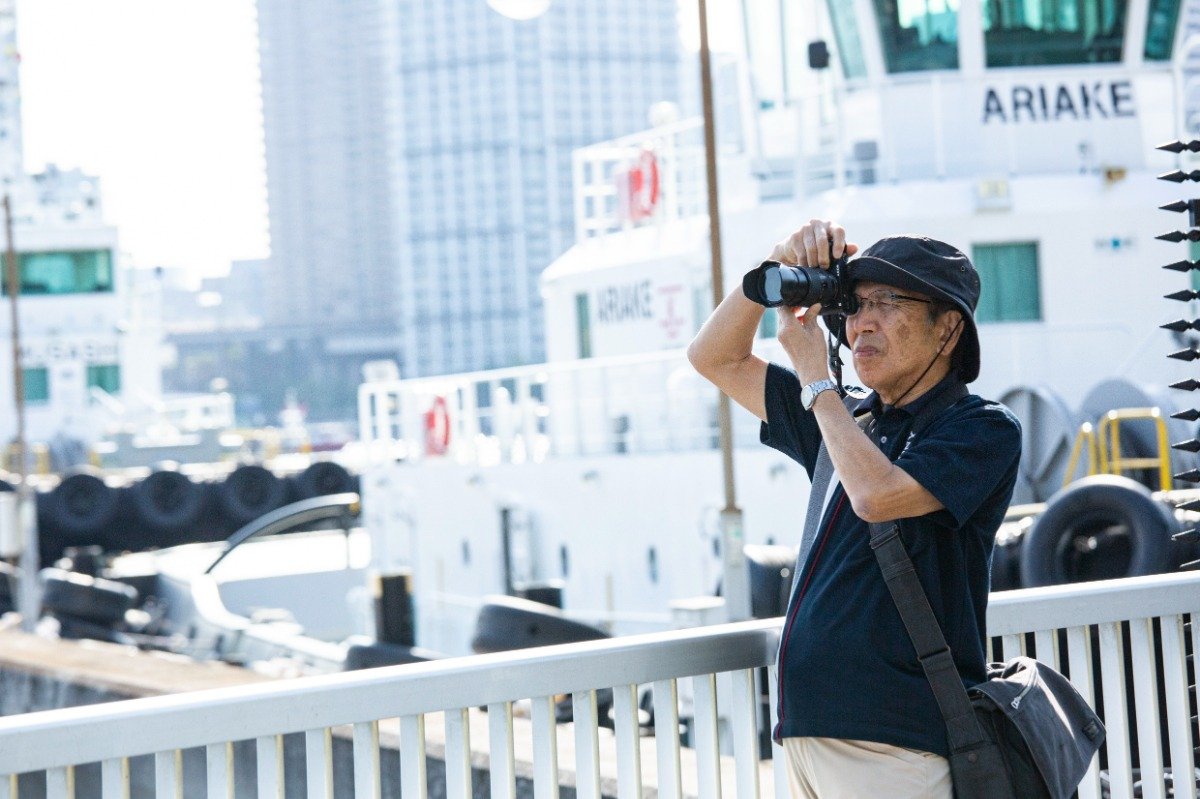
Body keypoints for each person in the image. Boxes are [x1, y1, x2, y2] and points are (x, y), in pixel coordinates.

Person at [687, 220, 1021, 798]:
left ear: (948, 328)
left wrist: (818, 380)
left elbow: (877, 495)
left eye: (887, 302)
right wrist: (774, 266)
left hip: (896, 744)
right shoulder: (848, 422)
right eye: (854, 303)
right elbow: (714, 357)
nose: (860, 322)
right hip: (812, 739)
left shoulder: (981, 428)